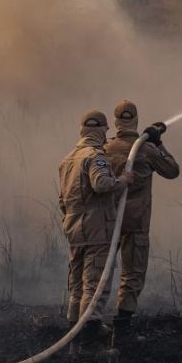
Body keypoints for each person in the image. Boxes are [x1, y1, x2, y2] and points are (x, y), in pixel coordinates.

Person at [104, 100, 180, 333]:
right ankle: (123, 325)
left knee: (102, 270)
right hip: (136, 223)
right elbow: (173, 170)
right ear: (135, 120)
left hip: (108, 221)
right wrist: (158, 142)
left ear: (116, 122)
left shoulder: (104, 149)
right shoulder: (146, 150)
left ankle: (92, 320)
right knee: (133, 272)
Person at [58, 110, 133, 342]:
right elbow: (101, 183)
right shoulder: (96, 157)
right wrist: (122, 181)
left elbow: (62, 200)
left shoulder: (68, 159)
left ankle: (73, 327)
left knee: (77, 282)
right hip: (97, 229)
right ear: (101, 130)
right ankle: (90, 333)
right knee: (95, 281)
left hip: (74, 229)